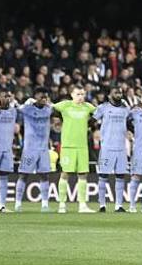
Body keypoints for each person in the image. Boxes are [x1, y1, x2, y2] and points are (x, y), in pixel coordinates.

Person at [53, 86, 97, 214]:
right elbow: (50, 107)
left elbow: (100, 113)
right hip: (68, 146)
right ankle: (62, 204)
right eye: (78, 94)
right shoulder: (65, 105)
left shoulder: (88, 107)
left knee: (83, 174)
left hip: (82, 146)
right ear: (72, 94)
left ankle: (82, 205)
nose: (81, 97)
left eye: (82, 94)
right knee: (65, 173)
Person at [16, 89, 55, 212]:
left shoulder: (48, 110)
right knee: (24, 175)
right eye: (42, 96)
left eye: (46, 97)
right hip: (30, 148)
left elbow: (54, 106)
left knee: (44, 175)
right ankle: (17, 203)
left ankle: (44, 204)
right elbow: (18, 107)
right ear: (35, 96)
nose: (44, 98)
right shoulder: (27, 109)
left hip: (43, 148)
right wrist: (27, 103)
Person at [93, 87, 131, 213]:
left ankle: (118, 205)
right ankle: (102, 205)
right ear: (109, 95)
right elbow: (92, 121)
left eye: (120, 92)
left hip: (121, 148)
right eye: (116, 92)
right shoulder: (103, 108)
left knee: (120, 176)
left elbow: (130, 122)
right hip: (107, 147)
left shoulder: (126, 109)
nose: (119, 94)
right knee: (103, 175)